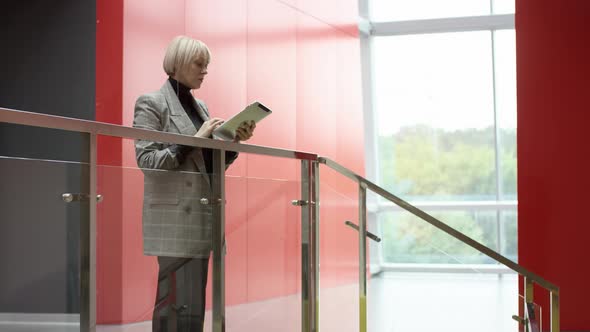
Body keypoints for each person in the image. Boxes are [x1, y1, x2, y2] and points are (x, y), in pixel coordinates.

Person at [133, 35, 255, 332]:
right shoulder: (152, 103)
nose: (205, 71)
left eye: (207, 65)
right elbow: (147, 162)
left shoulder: (199, 105)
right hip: (175, 217)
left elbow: (209, 166)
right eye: (199, 64)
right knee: (174, 301)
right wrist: (194, 140)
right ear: (178, 64)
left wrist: (234, 142)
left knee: (193, 303)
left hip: (203, 213)